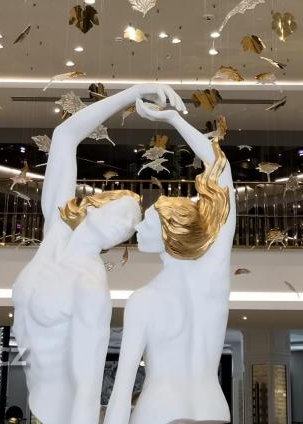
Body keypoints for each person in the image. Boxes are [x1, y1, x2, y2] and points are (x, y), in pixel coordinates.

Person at [12, 84, 186, 424]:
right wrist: (134, 92)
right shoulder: (56, 230)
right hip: (38, 402)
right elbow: (64, 136)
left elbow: (88, 384)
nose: (128, 226)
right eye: (124, 213)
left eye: (131, 226)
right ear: (92, 206)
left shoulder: (90, 284)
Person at [104, 99, 235, 424]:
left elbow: (122, 391)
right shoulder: (213, 276)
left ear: (168, 232)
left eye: (147, 221)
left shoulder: (144, 299)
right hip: (213, 408)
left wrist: (173, 118)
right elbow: (223, 172)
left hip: (160, 408)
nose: (138, 227)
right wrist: (174, 119)